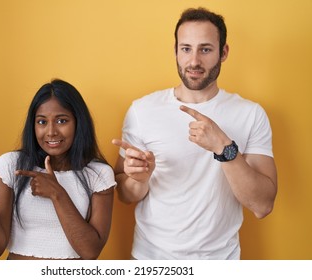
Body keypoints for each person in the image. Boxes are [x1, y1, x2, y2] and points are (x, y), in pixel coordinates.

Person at [112, 7, 277, 259]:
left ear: (223, 53)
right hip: (151, 260)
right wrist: (139, 179)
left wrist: (225, 149)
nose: (194, 61)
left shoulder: (251, 114)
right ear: (176, 51)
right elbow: (125, 194)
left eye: (206, 49)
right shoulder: (142, 110)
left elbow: (263, 205)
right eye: (186, 48)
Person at [0, 79, 116, 260]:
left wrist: (57, 194)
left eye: (62, 120)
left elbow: (90, 252)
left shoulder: (98, 174)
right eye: (42, 122)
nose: (50, 132)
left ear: (78, 123)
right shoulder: (12, 165)